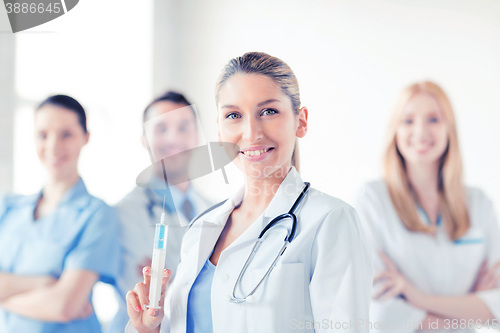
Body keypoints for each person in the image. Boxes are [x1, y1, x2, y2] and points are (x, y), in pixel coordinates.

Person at [125, 52, 373, 333]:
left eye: (268, 111)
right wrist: (149, 328)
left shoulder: (330, 221)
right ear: (219, 131)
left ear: (301, 121)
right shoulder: (202, 229)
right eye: (234, 115)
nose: (251, 132)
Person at [354, 82, 500, 333]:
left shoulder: (479, 204)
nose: (421, 131)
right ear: (395, 131)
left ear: (449, 129)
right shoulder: (373, 200)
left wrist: (417, 299)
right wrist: (471, 310)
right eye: (408, 120)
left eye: (433, 119)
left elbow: (497, 307)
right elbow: (379, 311)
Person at [0, 95, 120, 332]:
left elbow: (63, 306)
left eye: (66, 134)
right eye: (43, 135)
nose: (53, 146)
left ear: (86, 138)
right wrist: (43, 284)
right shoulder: (8, 207)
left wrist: (6, 296)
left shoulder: (97, 215)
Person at [109, 92, 212, 333]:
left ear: (197, 135)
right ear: (144, 138)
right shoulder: (122, 215)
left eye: (183, 127)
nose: (173, 138)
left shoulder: (218, 211)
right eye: (161, 128)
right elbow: (144, 297)